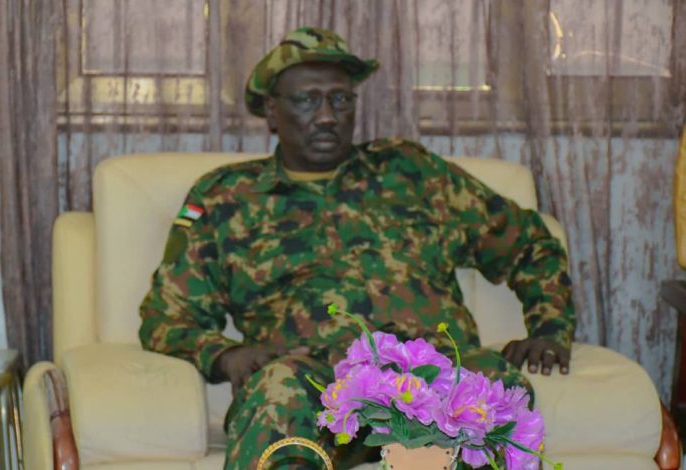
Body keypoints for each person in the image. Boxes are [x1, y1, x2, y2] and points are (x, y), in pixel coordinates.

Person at [139, 27, 575, 469]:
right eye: (307, 100)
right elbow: (169, 315)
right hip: (315, 384)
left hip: (431, 380)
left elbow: (530, 243)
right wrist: (225, 355)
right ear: (272, 110)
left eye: (340, 100)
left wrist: (549, 328)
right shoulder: (227, 197)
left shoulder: (412, 172)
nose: (327, 116)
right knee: (274, 391)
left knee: (489, 384)